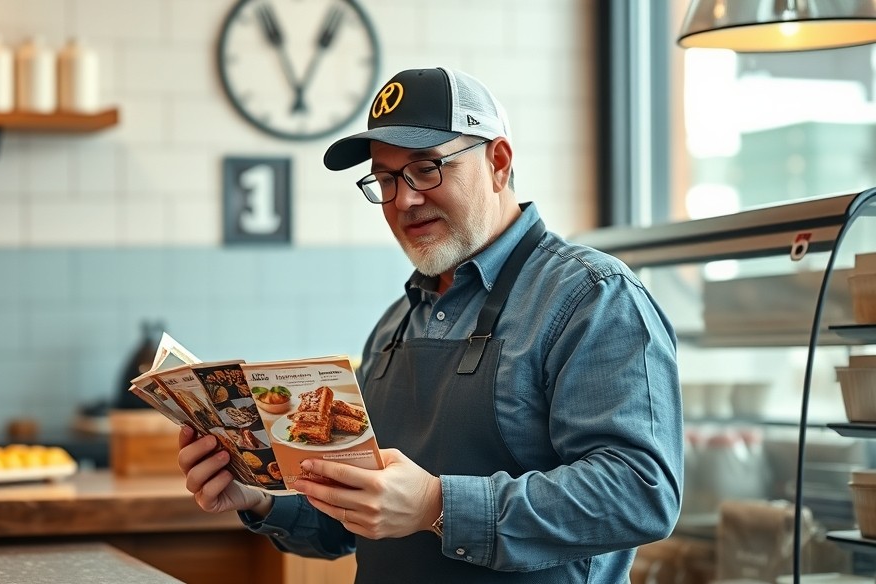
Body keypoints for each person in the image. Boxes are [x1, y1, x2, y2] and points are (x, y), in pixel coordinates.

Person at [177, 66, 683, 582]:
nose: (404, 199)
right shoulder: (396, 324)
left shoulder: (591, 297)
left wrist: (437, 506)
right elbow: (352, 521)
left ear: (499, 163)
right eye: (386, 178)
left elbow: (641, 492)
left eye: (426, 168)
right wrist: (259, 497)